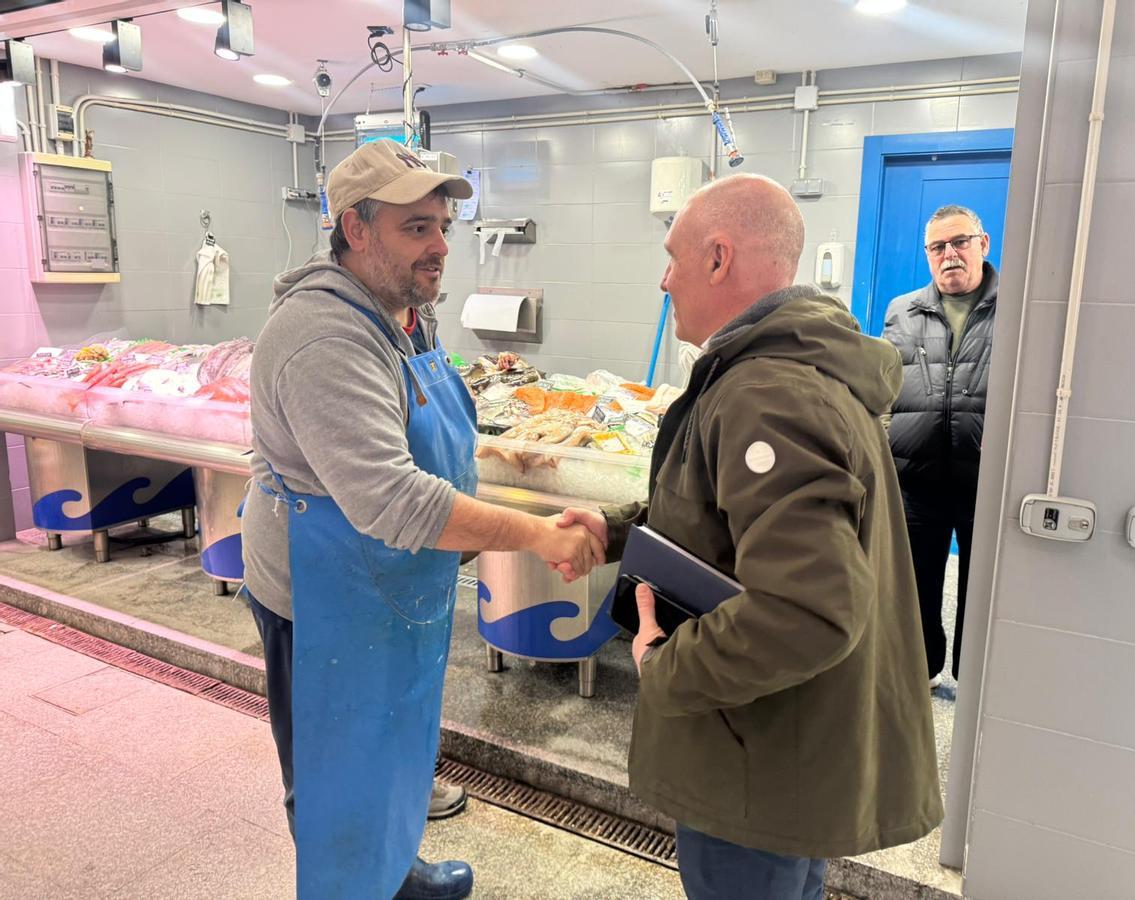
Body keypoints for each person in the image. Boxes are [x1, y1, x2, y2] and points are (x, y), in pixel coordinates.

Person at [560, 174, 942, 899]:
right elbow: (723, 519)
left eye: (673, 257)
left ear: (718, 258)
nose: (664, 278)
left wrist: (663, 662)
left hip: (757, 759)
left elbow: (808, 609)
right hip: (789, 746)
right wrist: (613, 533)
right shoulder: (786, 373)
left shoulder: (765, 394)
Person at [241, 138, 603, 900]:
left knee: (393, 743)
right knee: (336, 772)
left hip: (389, 581)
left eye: (443, 226)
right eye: (416, 228)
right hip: (323, 596)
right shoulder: (323, 334)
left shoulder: (403, 314)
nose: (440, 246)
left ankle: (396, 872)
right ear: (355, 229)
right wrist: (537, 533)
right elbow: (392, 499)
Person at [882, 204, 998, 688]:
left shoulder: (1020, 306)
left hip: (987, 477)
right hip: (915, 473)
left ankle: (973, 677)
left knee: (984, 586)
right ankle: (920, 669)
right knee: (915, 583)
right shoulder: (901, 310)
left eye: (960, 242)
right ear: (928, 254)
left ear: (982, 244)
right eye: (938, 247)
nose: (949, 254)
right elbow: (883, 385)